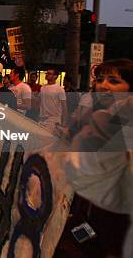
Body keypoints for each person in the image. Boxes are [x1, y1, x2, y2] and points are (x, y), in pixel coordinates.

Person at [59, 58, 133, 257]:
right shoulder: (92, 121)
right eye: (100, 79)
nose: (104, 86)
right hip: (89, 220)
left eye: (114, 81)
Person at [39, 67, 67, 135]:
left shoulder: (59, 89)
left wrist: (64, 123)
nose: (47, 74)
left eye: (49, 73)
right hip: (42, 119)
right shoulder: (42, 88)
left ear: (55, 76)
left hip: (53, 120)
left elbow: (64, 107)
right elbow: (39, 102)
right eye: (47, 73)